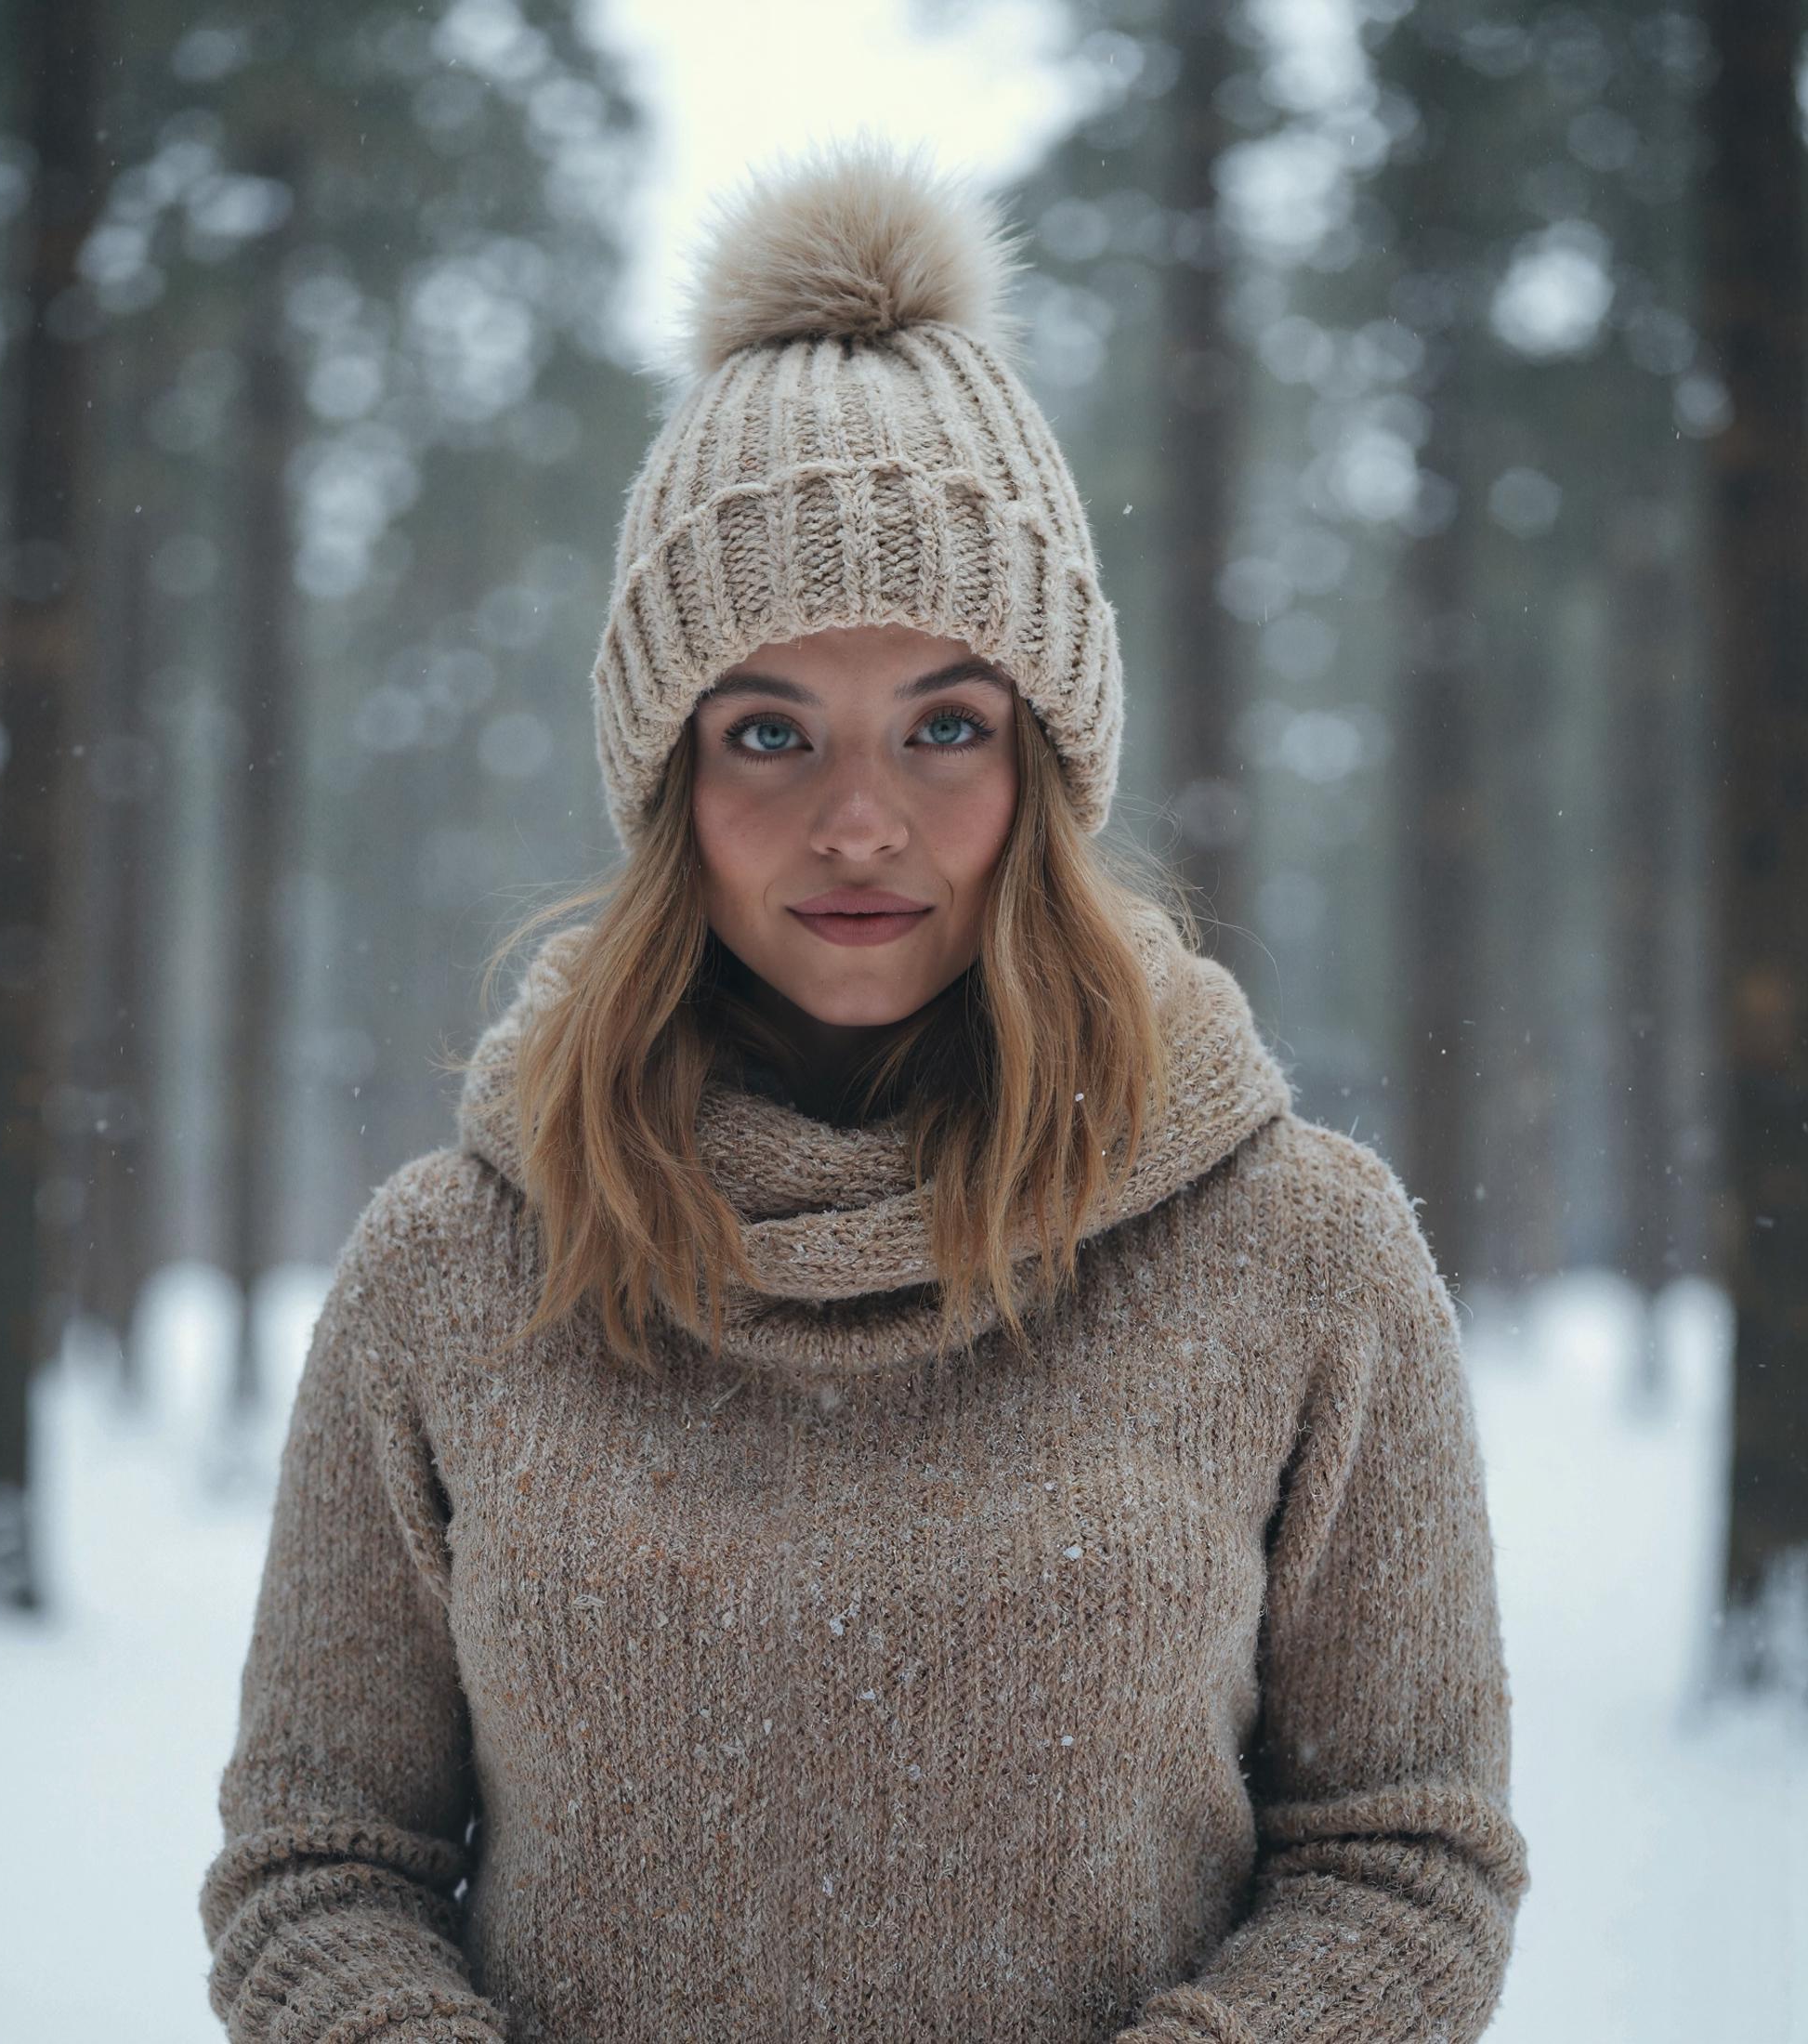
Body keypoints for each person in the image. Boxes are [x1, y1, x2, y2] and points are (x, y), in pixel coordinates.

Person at [197, 134, 1528, 2044]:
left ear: (1048, 767)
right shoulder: (454, 1266)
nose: (856, 819)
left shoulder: (1295, 1248)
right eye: (765, 728)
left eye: (942, 723)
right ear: (663, 781)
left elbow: (1403, 1852)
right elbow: (321, 1865)